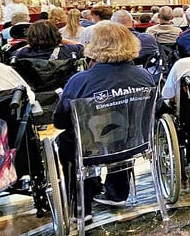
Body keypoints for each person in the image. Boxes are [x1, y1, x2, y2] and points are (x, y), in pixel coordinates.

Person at [52, 21, 157, 209]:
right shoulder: (143, 76)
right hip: (135, 143)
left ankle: (81, 204)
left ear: (94, 46)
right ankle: (117, 192)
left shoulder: (80, 81)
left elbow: (60, 120)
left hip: (91, 149)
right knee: (124, 129)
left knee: (67, 139)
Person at [11, 20, 84, 60]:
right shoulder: (68, 50)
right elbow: (81, 46)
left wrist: (32, 42)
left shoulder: (24, 53)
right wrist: (60, 39)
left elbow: (13, 54)